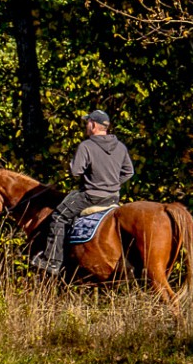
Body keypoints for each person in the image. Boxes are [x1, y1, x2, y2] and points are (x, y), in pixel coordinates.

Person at [31, 110, 134, 276]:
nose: (86, 126)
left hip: (91, 196)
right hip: (113, 196)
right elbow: (129, 172)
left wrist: (74, 165)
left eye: (87, 123)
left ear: (93, 125)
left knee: (59, 216)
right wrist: (113, 184)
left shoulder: (86, 146)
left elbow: (76, 172)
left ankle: (52, 261)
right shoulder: (120, 146)